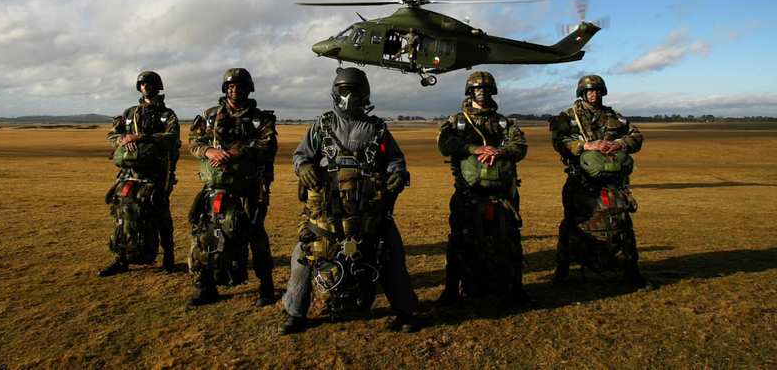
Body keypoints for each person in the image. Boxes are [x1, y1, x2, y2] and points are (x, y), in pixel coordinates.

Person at [278, 67, 419, 334]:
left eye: (355, 92)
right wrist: (303, 167)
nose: (349, 97)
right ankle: (294, 313)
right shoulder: (321, 126)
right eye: (345, 91)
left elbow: (394, 159)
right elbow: (300, 155)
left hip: (369, 208)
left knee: (391, 250)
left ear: (366, 96)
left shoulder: (378, 128)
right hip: (326, 210)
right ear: (335, 92)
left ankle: (405, 313)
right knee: (304, 253)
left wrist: (397, 174)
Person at [435, 71, 533, 307]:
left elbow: (520, 145)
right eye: (478, 89)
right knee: (459, 240)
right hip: (468, 192)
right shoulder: (456, 121)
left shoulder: (504, 123)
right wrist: (474, 149)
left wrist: (500, 151)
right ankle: (451, 290)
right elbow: (444, 143)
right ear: (470, 92)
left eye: (487, 89)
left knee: (509, 240)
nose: (483, 93)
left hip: (502, 195)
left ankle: (515, 288)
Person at [549, 74, 653, 289]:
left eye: (597, 90)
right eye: (589, 91)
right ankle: (563, 271)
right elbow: (559, 141)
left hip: (613, 182)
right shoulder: (568, 117)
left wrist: (620, 144)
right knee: (572, 225)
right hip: (580, 181)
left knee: (623, 223)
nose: (594, 94)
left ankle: (632, 272)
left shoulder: (614, 117)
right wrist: (583, 147)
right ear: (582, 93)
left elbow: (636, 137)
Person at [185, 68, 277, 307]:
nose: (234, 89)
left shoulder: (261, 119)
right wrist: (208, 151)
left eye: (239, 85)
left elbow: (268, 149)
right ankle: (207, 287)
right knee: (206, 234)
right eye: (230, 86)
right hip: (215, 186)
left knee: (255, 235)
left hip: (250, 188)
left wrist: (238, 153)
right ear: (225, 89)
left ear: (249, 88)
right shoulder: (210, 116)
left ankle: (266, 286)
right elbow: (193, 141)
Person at [100, 71, 180, 276]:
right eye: (142, 84)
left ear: (157, 86)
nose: (145, 87)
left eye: (149, 84)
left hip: (157, 173)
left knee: (161, 214)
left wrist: (143, 137)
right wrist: (124, 140)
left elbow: (171, 138)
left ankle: (168, 257)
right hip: (129, 173)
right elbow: (113, 135)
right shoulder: (129, 114)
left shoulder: (167, 115)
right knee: (122, 213)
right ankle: (121, 259)